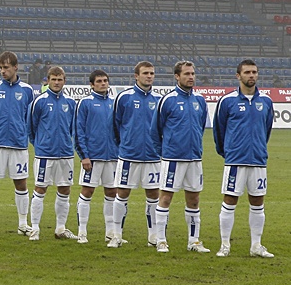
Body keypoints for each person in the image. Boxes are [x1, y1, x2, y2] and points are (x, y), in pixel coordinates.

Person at [214, 60, 274, 258]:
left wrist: (259, 148)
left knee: (257, 202)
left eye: (254, 72)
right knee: (230, 200)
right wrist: (228, 152)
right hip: (235, 161)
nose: (251, 75)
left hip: (258, 161)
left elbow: (266, 130)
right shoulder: (227, 101)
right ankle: (224, 245)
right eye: (247, 72)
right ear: (238, 76)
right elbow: (219, 131)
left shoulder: (266, 101)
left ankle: (256, 245)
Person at [151, 61, 210, 254]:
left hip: (194, 159)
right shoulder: (167, 100)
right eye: (186, 74)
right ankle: (161, 240)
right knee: (165, 198)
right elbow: (155, 130)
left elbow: (201, 127)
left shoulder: (200, 100)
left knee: (194, 200)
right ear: (177, 76)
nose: (191, 77)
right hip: (173, 159)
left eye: (192, 73)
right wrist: (166, 152)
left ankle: (194, 241)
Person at [0, 51, 35, 237]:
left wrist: (23, 133)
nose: (3, 71)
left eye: (6, 67)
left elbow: (30, 117)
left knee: (21, 184)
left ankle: (23, 224)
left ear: (15, 67)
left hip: (19, 145)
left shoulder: (27, 90)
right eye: (0, 68)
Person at [111, 61, 161, 248]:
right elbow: (115, 125)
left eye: (152, 73)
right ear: (136, 76)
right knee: (122, 193)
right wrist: (125, 144)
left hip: (153, 157)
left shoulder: (159, 99)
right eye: (145, 73)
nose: (149, 76)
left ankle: (153, 236)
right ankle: (116, 235)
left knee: (153, 195)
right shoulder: (124, 98)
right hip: (129, 156)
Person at [27, 66, 78, 241]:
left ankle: (60, 228)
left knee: (65, 189)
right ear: (48, 80)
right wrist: (40, 145)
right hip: (45, 155)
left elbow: (73, 128)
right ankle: (34, 228)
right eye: (53, 79)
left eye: (60, 79)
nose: (56, 83)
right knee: (40, 188)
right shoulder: (39, 101)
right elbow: (31, 127)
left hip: (65, 154)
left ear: (64, 81)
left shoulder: (70, 102)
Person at [74, 69, 118, 244]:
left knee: (112, 193)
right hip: (92, 157)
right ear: (91, 85)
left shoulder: (114, 103)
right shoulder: (85, 103)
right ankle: (82, 232)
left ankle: (110, 233)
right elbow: (78, 131)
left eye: (105, 81)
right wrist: (84, 156)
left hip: (112, 157)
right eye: (99, 81)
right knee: (87, 192)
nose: (103, 84)